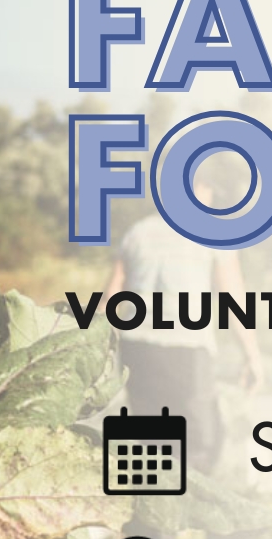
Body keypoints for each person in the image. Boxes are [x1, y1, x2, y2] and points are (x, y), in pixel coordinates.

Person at [100, 184, 263, 473]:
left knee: (151, 442)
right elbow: (232, 297)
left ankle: (149, 514)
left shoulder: (138, 231)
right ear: (199, 188)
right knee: (200, 443)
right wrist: (252, 354)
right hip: (186, 348)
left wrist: (93, 346)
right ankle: (189, 513)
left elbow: (111, 297)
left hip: (136, 349)